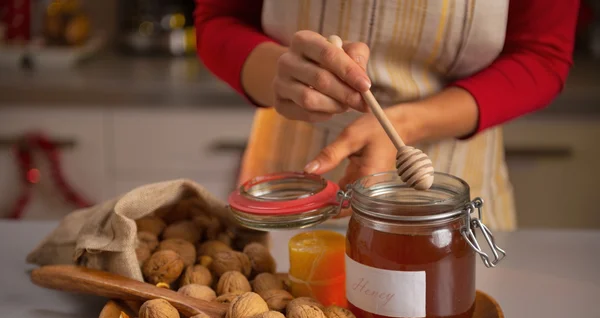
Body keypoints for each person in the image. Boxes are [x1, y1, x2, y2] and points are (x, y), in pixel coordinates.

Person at [194, 0, 580, 231]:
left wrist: (408, 123)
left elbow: (542, 56)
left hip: (453, 189)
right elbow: (219, 18)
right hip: (290, 189)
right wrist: (280, 74)